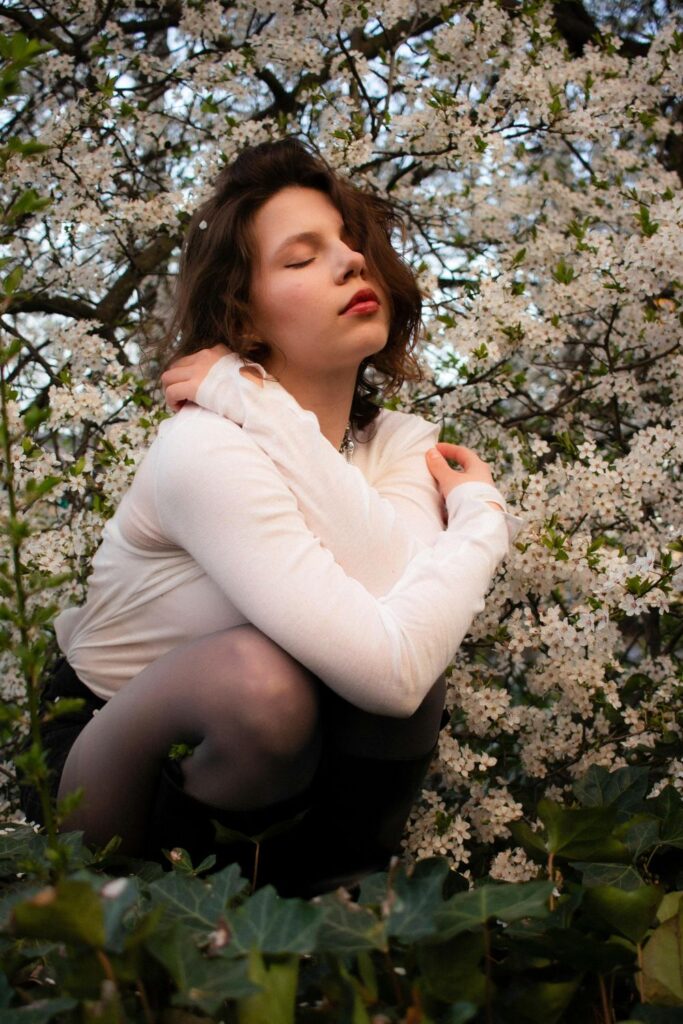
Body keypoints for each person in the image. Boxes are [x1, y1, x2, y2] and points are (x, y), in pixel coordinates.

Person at [18, 139, 520, 896]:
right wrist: (481, 523)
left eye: (350, 243)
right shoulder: (205, 447)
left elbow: (408, 635)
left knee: (416, 631)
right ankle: (171, 922)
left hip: (288, 776)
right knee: (263, 684)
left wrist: (256, 401)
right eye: (301, 258)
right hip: (107, 765)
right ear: (245, 316)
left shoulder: (400, 442)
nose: (351, 262)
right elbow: (389, 674)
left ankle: (332, 916)